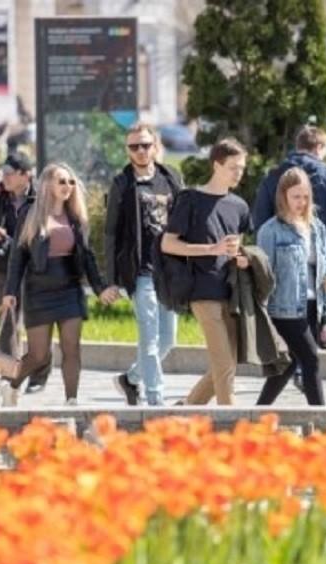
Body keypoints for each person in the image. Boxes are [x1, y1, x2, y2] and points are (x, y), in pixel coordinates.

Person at [0, 163, 120, 407]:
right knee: (38, 355)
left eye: (71, 182)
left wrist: (100, 288)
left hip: (70, 289)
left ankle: (71, 400)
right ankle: (11, 385)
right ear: (47, 185)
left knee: (72, 348)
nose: (68, 186)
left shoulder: (75, 217)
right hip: (38, 291)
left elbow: (87, 257)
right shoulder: (30, 213)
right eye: (62, 181)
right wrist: (10, 291)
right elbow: (17, 257)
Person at [253, 125, 326, 389]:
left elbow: (258, 218)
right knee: (316, 314)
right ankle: (305, 366)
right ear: (320, 147)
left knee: (293, 319)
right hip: (322, 255)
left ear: (297, 145)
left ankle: (298, 366)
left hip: (280, 254)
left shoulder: (274, 176)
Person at [161, 138, 252, 406]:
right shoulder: (190, 199)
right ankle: (232, 424)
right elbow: (168, 244)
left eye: (242, 168)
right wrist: (211, 249)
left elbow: (237, 248)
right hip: (202, 291)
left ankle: (186, 410)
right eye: (233, 167)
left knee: (228, 363)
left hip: (231, 292)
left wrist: (241, 257)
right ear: (216, 165)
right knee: (224, 363)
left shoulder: (239, 206)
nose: (239, 173)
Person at [105, 121, 185, 407]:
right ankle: (155, 399)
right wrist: (111, 279)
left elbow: (184, 221)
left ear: (155, 147)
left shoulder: (171, 178)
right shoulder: (122, 183)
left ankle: (130, 378)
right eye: (134, 147)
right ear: (128, 151)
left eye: (145, 145)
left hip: (170, 271)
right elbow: (111, 232)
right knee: (149, 338)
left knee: (168, 340)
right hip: (141, 271)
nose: (140, 151)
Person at [0, 152, 48, 394]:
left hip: (36, 269)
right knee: (6, 323)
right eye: (2, 172)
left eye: (9, 173)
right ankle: (8, 375)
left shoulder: (42, 199)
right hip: (4, 267)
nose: (3, 177)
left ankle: (38, 377)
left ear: (25, 176)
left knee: (38, 323)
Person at [255, 168, 326, 407]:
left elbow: (322, 275)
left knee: (288, 365)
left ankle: (256, 415)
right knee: (310, 360)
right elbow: (263, 278)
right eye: (295, 196)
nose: (301, 202)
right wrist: (266, 319)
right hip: (284, 310)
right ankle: (321, 423)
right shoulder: (271, 230)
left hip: (312, 306)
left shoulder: (317, 228)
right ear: (283, 196)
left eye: (305, 196)